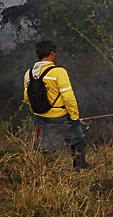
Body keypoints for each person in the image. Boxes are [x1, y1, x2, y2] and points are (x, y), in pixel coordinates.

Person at [23, 39, 90, 170]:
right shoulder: (59, 72)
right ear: (52, 53)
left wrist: (38, 112)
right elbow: (68, 97)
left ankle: (49, 168)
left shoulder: (28, 74)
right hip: (59, 116)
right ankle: (80, 166)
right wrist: (75, 117)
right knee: (78, 138)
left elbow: (27, 98)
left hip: (40, 116)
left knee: (48, 142)